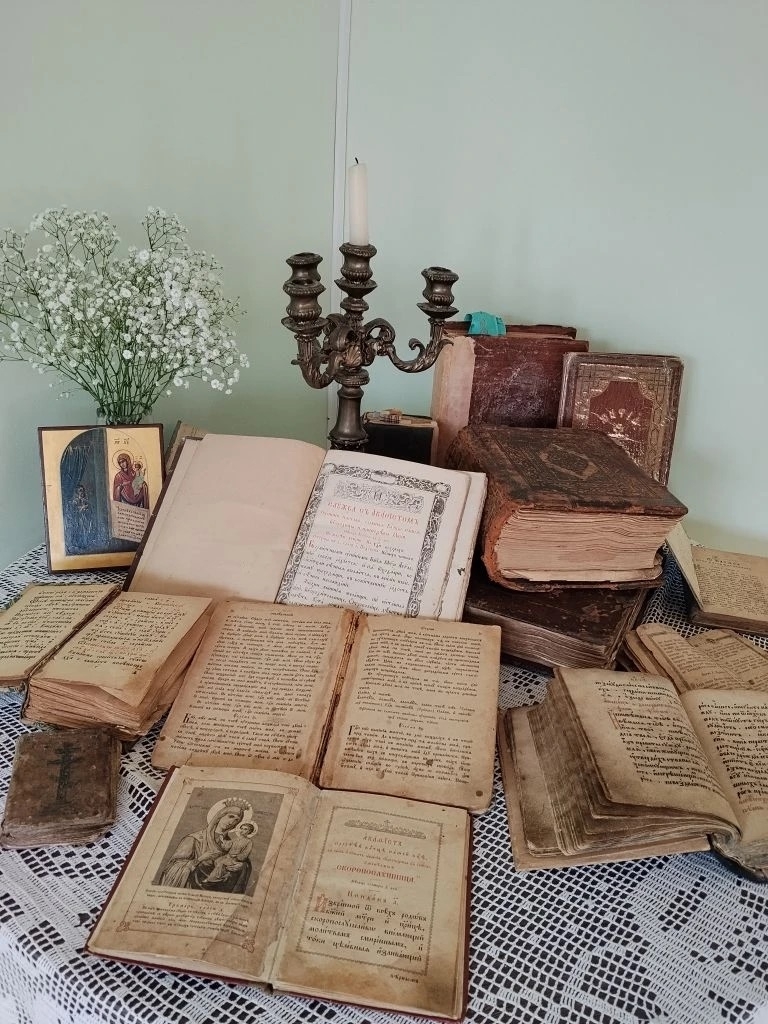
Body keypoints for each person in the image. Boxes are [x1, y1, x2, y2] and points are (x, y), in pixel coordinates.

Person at [158, 803, 252, 893]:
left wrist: (242, 866)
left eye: (236, 820)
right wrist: (200, 859)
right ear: (220, 816)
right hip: (191, 888)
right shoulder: (195, 839)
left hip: (217, 890)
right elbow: (173, 867)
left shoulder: (231, 843)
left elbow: (241, 860)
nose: (232, 822)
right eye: (230, 816)